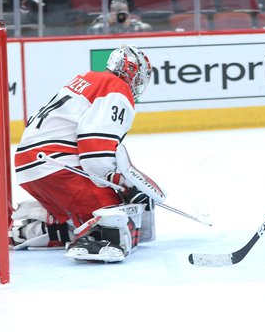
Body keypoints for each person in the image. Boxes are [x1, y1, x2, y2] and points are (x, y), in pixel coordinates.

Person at [12, 45, 157, 262]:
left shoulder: (87, 79)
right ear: (131, 70)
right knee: (117, 222)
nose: (137, 84)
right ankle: (94, 239)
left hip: (31, 167)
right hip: (58, 165)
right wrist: (120, 183)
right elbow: (95, 149)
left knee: (79, 222)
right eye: (138, 78)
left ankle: (25, 230)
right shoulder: (116, 87)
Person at [88, 0, 152, 34]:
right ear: (111, 10)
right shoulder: (102, 19)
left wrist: (128, 26)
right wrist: (108, 25)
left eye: (122, 10)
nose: (119, 14)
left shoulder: (131, 20)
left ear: (127, 10)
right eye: (115, 10)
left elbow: (148, 28)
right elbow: (90, 32)